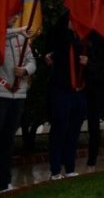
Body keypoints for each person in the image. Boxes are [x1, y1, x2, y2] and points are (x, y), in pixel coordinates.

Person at [44, 13, 87, 180]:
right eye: (73, 20)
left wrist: (86, 63)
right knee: (59, 130)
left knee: (73, 131)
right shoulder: (61, 39)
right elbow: (56, 39)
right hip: (61, 91)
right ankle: (55, 170)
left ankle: (70, 167)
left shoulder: (83, 42)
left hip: (79, 92)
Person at [0, 14, 35, 192]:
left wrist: (26, 70)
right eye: (11, 13)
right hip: (2, 93)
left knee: (8, 140)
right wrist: (19, 30)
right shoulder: (7, 34)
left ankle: (4, 181)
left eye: (16, 14)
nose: (15, 17)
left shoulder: (22, 37)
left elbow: (32, 61)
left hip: (18, 95)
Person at [83, 33, 104, 172]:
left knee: (94, 125)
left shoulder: (100, 39)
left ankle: (92, 161)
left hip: (95, 88)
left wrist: (89, 64)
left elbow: (102, 69)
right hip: (78, 87)